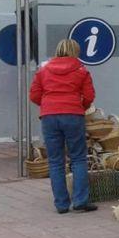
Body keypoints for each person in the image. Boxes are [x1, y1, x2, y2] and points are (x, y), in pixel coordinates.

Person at [29, 39, 98, 215]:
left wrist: (48, 105)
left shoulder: (43, 70)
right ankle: (80, 201)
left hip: (49, 116)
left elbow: (34, 95)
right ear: (76, 51)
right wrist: (80, 106)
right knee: (78, 159)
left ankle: (61, 204)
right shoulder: (81, 70)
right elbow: (89, 96)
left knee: (55, 161)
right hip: (73, 115)